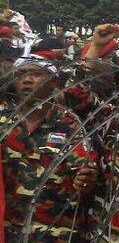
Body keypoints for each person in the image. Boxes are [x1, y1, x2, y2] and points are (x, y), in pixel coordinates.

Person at [1, 55, 101, 241]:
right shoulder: (4, 124)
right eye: (21, 74)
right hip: (8, 230)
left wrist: (85, 178)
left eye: (36, 74)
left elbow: (84, 170)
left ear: (54, 82)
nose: (27, 80)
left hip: (52, 232)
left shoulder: (68, 124)